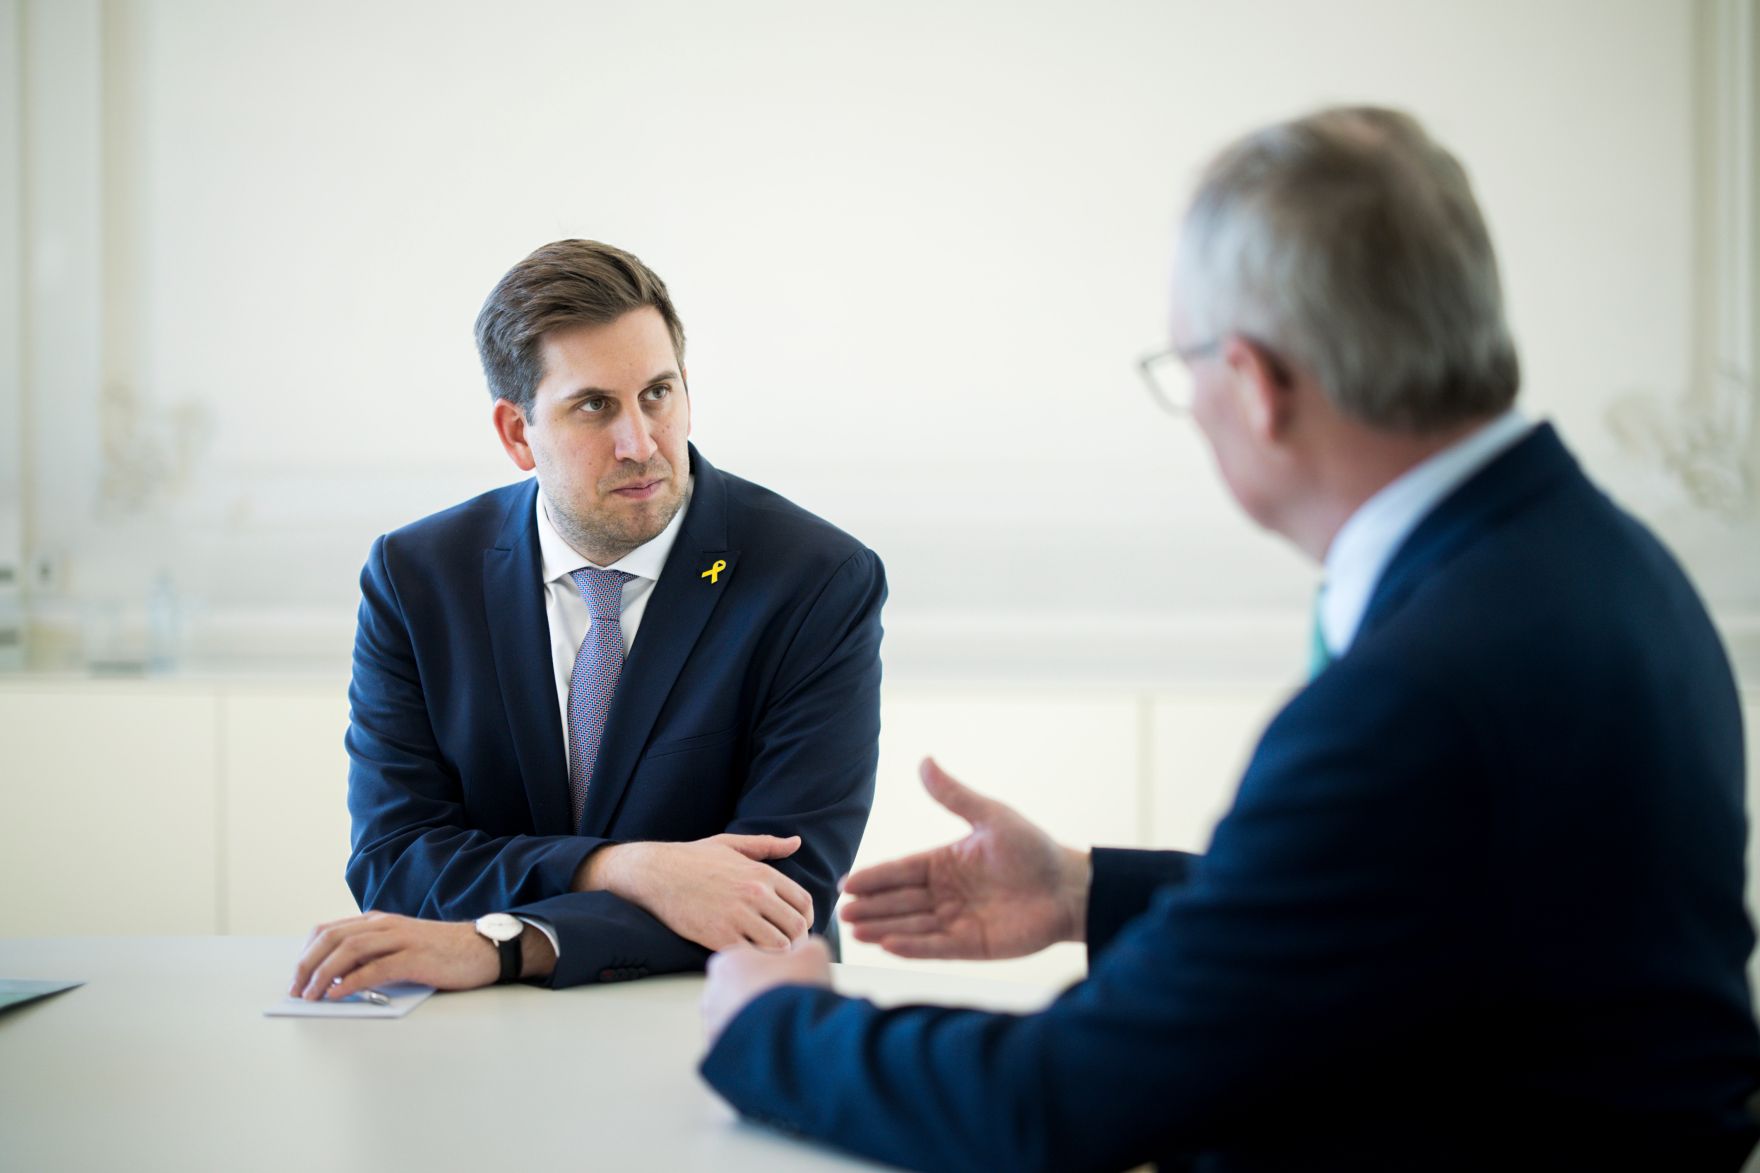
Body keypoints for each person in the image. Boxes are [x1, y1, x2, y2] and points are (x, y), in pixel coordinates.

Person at [696, 107, 1760, 1171]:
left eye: (1183, 363)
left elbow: (1060, 1103)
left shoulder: (1415, 693)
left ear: (1252, 384)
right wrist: (1082, 890)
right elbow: (1423, 900)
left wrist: (775, 1027)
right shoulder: (1602, 561)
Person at [289, 240, 885, 998]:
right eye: (595, 406)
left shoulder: (813, 579)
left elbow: (779, 898)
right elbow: (395, 859)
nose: (640, 443)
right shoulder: (418, 578)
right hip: (481, 1038)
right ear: (515, 433)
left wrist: (507, 943)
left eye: (658, 394)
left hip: (720, 1017)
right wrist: (623, 866)